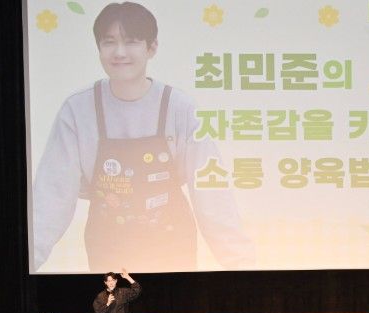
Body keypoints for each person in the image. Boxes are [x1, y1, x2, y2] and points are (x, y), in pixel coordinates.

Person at [32, 1, 254, 273]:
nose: (119, 52)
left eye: (131, 42)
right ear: (99, 48)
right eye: (109, 42)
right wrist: (21, 265)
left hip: (172, 248)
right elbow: (52, 197)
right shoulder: (77, 110)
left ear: (152, 48)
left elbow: (211, 193)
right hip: (107, 250)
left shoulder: (179, 107)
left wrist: (243, 267)